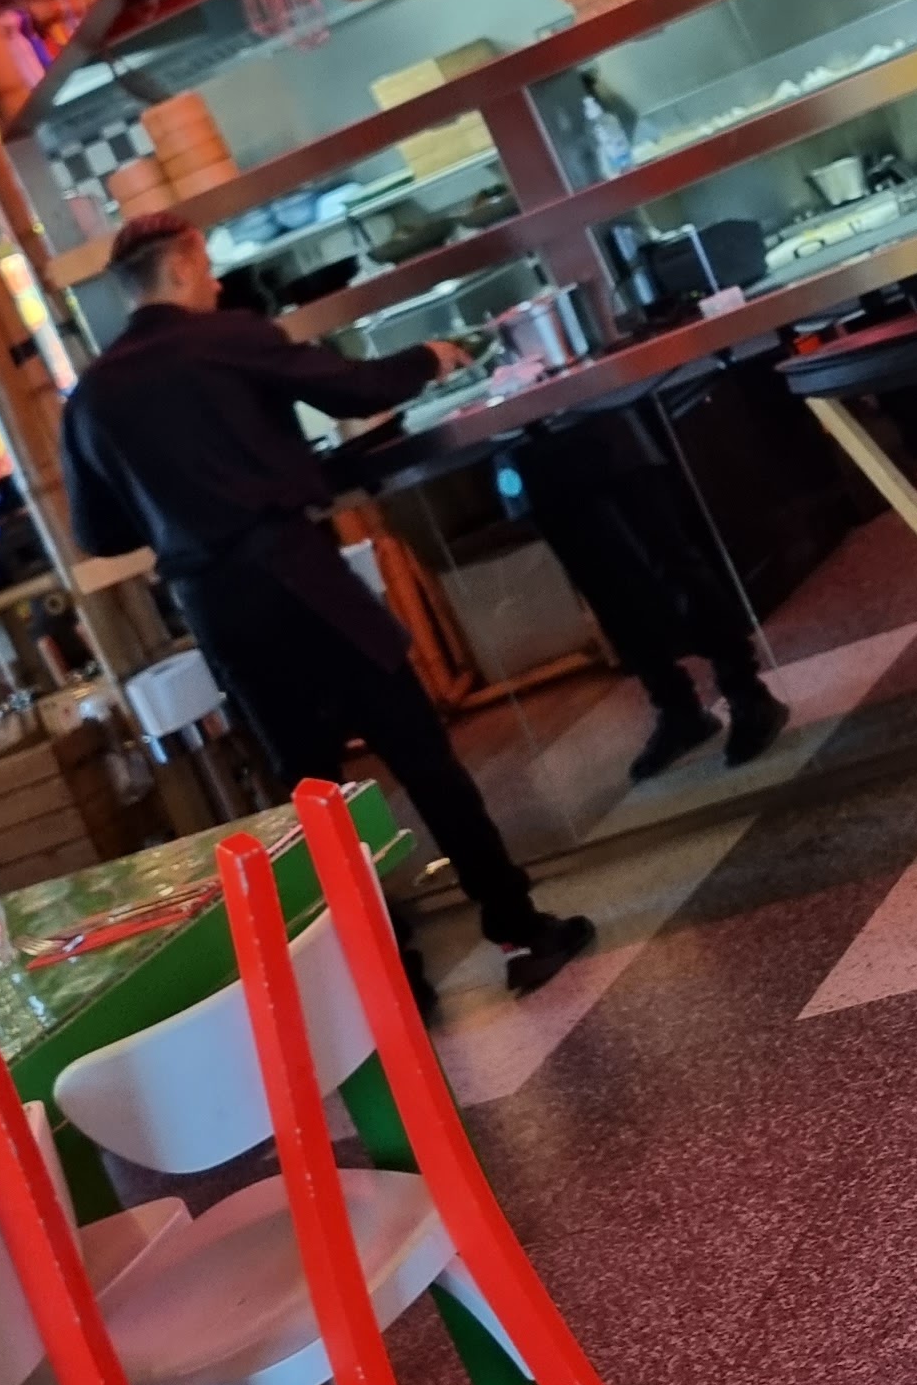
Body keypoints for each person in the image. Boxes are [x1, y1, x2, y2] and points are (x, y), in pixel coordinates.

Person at [62, 213, 593, 998]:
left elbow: (98, 532)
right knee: (420, 754)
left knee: (312, 799)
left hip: (215, 605)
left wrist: (182, 504)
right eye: (205, 267)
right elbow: (355, 388)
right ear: (179, 265)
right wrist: (430, 356)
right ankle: (518, 930)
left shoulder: (89, 399)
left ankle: (392, 975)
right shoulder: (228, 338)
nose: (215, 283)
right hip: (299, 575)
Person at [511, 409, 789, 784]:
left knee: (670, 560)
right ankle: (678, 710)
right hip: (522, 446)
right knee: (607, 590)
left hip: (593, 414)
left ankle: (747, 692)